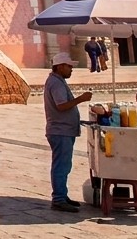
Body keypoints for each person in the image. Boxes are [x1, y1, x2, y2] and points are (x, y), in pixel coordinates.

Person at [43, 52, 92, 212]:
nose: (71, 70)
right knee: (61, 166)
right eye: (69, 66)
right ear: (60, 66)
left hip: (63, 129)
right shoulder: (56, 83)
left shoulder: (57, 81)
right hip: (60, 130)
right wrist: (81, 99)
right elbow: (61, 105)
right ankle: (58, 198)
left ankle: (62, 195)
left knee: (64, 165)